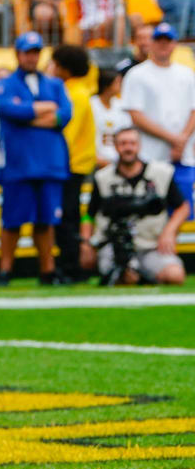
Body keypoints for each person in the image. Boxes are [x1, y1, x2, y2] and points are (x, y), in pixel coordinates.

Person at [0, 32, 72, 286]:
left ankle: (47, 270)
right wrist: (44, 109)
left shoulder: (55, 84)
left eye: (36, 52)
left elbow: (65, 114)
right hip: (20, 163)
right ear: (18, 54)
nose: (32, 57)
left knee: (46, 220)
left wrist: (30, 115)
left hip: (49, 162)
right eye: (27, 52)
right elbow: (9, 110)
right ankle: (5, 270)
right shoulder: (6, 84)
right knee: (12, 220)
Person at [81, 127, 189, 285]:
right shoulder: (102, 177)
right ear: (116, 147)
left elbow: (183, 207)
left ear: (139, 146)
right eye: (123, 143)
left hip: (151, 245)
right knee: (122, 278)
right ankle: (135, 277)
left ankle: (145, 276)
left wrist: (169, 232)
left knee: (175, 275)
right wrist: (86, 244)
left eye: (132, 143)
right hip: (114, 246)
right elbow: (88, 215)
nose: (128, 148)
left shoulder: (161, 173)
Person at [121, 24, 195, 216]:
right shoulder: (137, 74)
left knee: (184, 214)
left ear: (175, 44)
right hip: (150, 156)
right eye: (159, 40)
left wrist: (181, 140)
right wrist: (175, 139)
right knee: (153, 214)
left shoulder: (187, 74)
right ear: (152, 43)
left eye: (167, 41)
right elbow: (135, 115)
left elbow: (193, 111)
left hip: (182, 155)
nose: (163, 45)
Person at [52, 44, 97, 282]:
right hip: (73, 164)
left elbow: (68, 133)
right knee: (67, 217)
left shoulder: (74, 95)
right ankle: (70, 265)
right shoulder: (77, 90)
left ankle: (72, 268)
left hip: (70, 165)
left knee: (67, 218)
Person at [90, 67, 130, 168]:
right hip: (94, 159)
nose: (121, 86)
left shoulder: (120, 105)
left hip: (116, 160)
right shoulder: (91, 105)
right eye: (117, 82)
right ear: (107, 85)